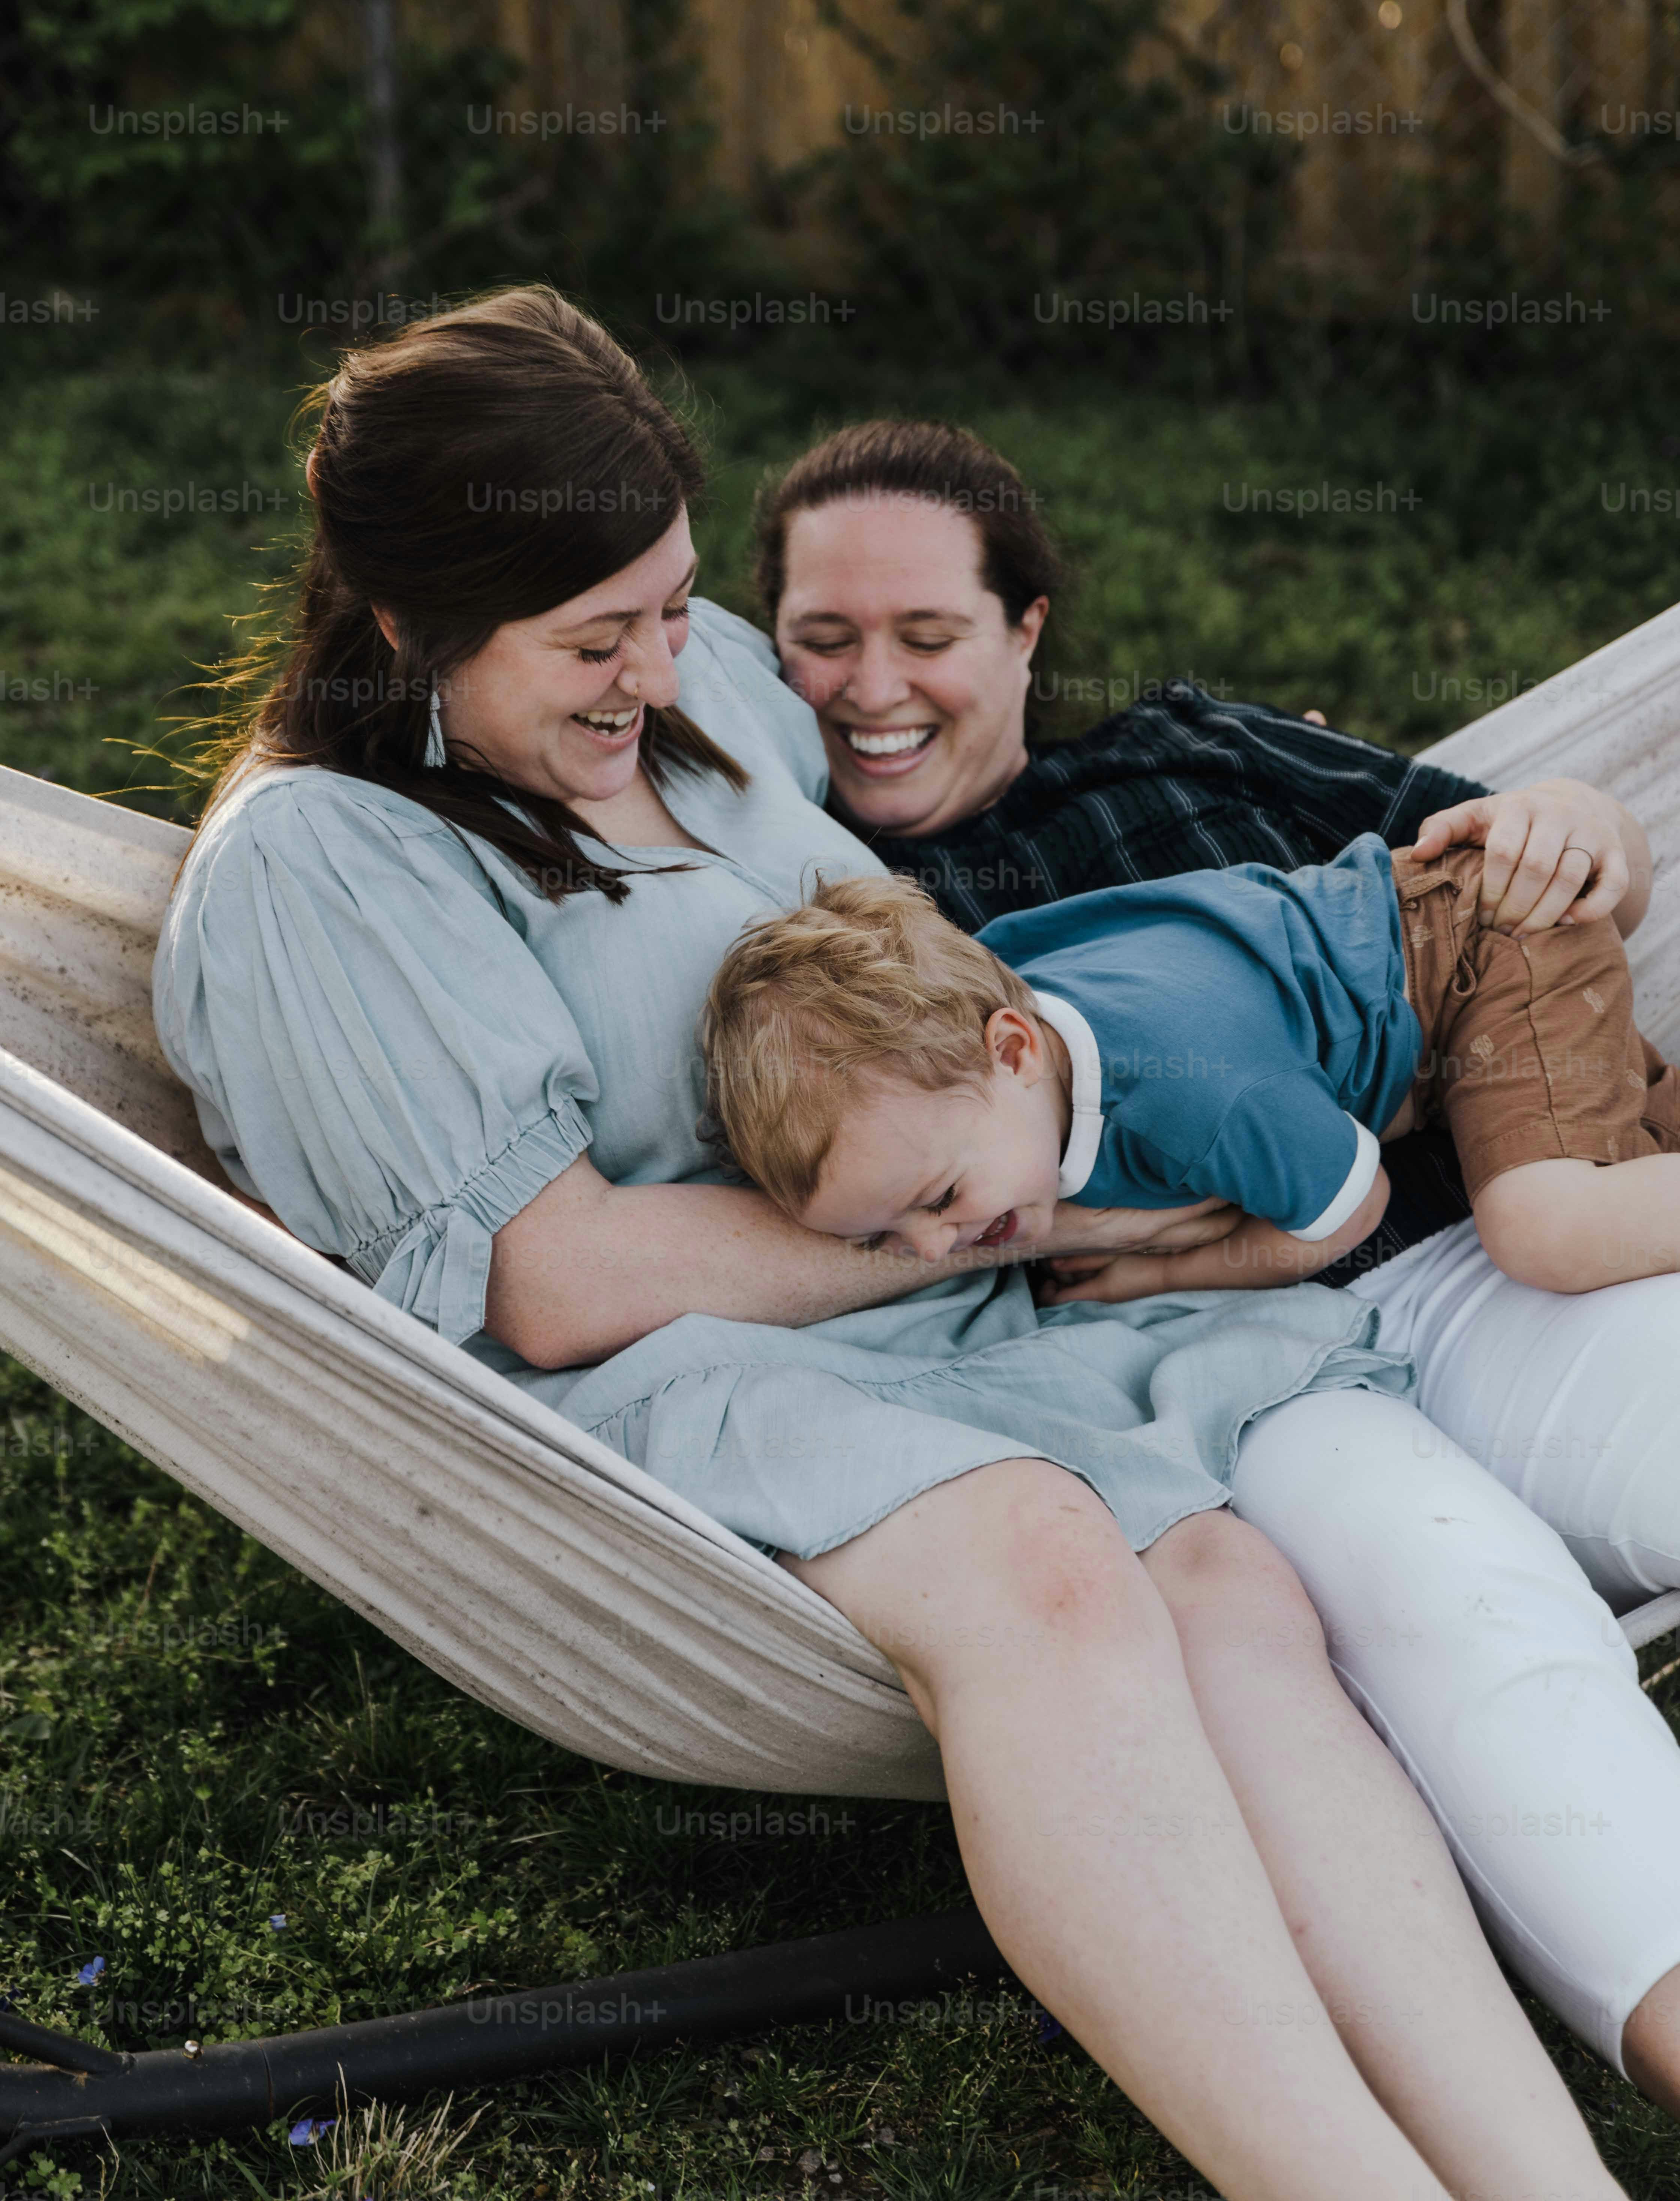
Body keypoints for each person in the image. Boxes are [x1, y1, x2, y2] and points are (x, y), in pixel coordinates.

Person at [150, 289, 1654, 2196]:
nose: (654, 667)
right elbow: (554, 1278)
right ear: (401, 625)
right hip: (652, 1379)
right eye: (590, 639)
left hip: (956, 1325)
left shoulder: (695, 689)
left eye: (674, 605)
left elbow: (927, 777)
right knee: (1046, 1566)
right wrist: (998, 1226)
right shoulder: (323, 864)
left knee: (1238, 1600)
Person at [758, 413, 1680, 2106]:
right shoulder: (799, 924)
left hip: (1472, 1233)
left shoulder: (1184, 763)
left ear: (1024, 629)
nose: (868, 686)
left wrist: (1581, 823)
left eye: (925, 635)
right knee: (1461, 1617)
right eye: (819, 640)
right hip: (1220, 1401)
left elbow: (1503, 870)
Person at [702, 846, 1680, 1298]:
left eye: (938, 1197)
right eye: (886, 1240)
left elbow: (1349, 1206)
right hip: (1430, 961)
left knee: (1549, 1228)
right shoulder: (1001, 1048)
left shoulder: (1186, 1097)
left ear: (1011, 1048)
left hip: (1484, 955)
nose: (932, 1245)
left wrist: (1159, 1270)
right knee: (1635, 1138)